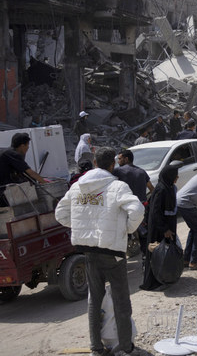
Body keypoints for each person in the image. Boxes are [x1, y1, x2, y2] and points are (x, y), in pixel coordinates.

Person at [55, 147, 145, 356]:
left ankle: (96, 348)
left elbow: (60, 214)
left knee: (94, 301)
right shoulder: (117, 186)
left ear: (94, 163)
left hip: (89, 251)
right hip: (112, 252)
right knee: (121, 300)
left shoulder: (78, 187)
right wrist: (127, 230)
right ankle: (124, 348)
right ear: (112, 165)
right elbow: (138, 210)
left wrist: (81, 227)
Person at [140, 165, 179, 291]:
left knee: (167, 253)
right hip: (159, 228)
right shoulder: (161, 189)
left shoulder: (169, 187)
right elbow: (155, 212)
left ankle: (166, 277)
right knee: (157, 253)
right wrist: (164, 229)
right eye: (175, 175)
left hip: (168, 225)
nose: (177, 177)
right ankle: (154, 281)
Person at [0, 133, 47, 205]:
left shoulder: (7, 152)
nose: (28, 147)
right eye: (28, 145)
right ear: (22, 146)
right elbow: (31, 173)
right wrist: (46, 183)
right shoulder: (13, 155)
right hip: (3, 190)